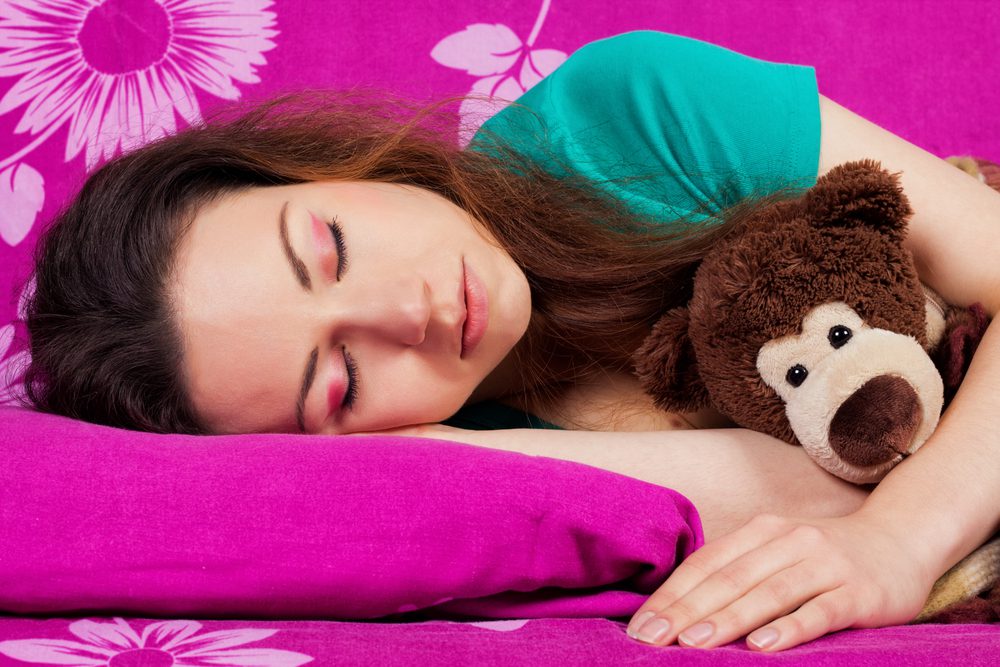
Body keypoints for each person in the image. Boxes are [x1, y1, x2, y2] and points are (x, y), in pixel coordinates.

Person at [17, 30, 1000, 652]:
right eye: (344, 378)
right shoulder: (472, 461)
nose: (408, 314)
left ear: (317, 170)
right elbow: (834, 474)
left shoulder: (630, 109)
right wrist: (447, 455)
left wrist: (898, 543)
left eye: (330, 244)